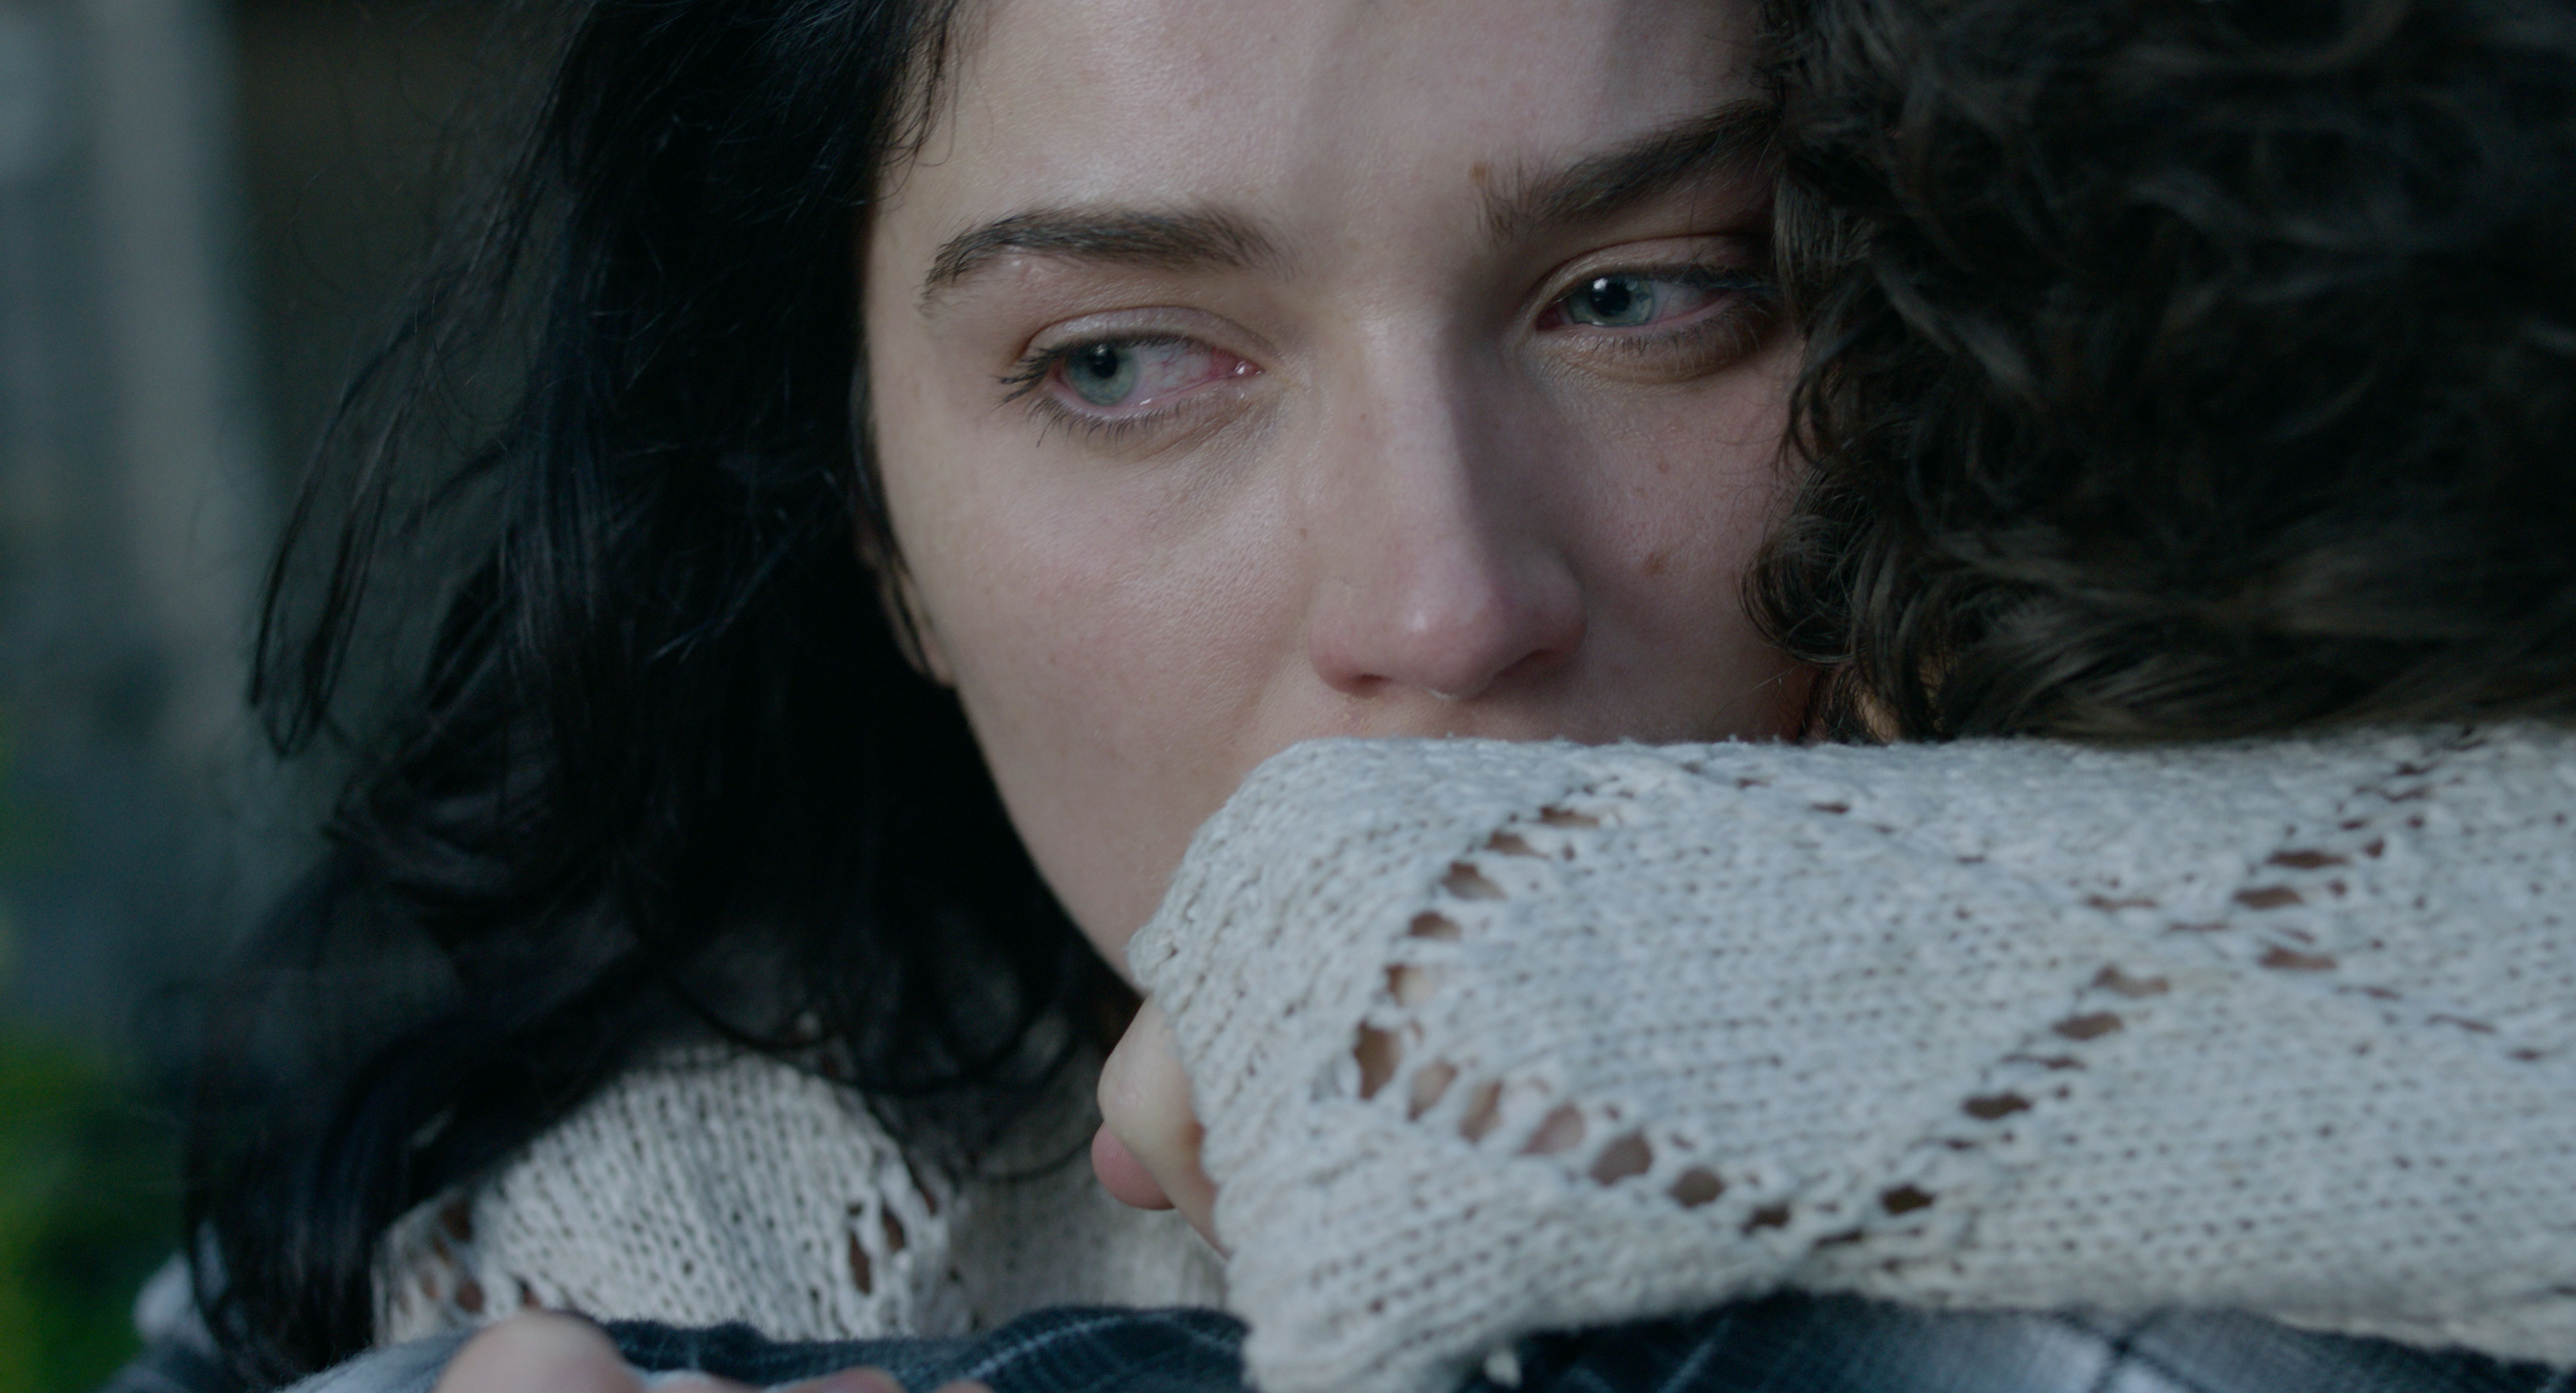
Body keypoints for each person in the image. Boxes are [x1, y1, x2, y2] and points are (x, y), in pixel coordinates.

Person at [119, 0, 2576, 1390]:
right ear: (870, 520)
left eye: (1650, 292)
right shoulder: (469, 1289)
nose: (1447, 593)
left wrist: (1725, 1004)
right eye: (1121, 361)